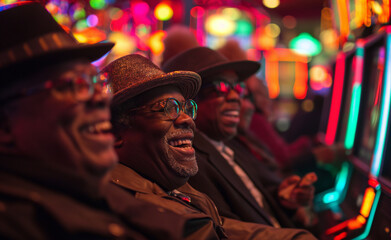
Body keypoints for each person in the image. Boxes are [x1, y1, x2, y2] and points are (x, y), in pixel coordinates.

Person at [0, 3, 208, 239]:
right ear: (5, 125)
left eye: (95, 84)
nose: (101, 99)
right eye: (72, 85)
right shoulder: (18, 222)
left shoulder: (86, 192)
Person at [105, 53, 317, 239]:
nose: (187, 119)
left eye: (186, 108)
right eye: (166, 108)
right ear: (115, 132)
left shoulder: (174, 183)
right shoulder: (133, 204)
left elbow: (223, 228)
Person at [162, 46, 318, 230]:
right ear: (187, 102)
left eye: (238, 87)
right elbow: (224, 229)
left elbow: (256, 201)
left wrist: (284, 197)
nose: (236, 97)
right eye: (220, 87)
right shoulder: (188, 160)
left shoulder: (232, 144)